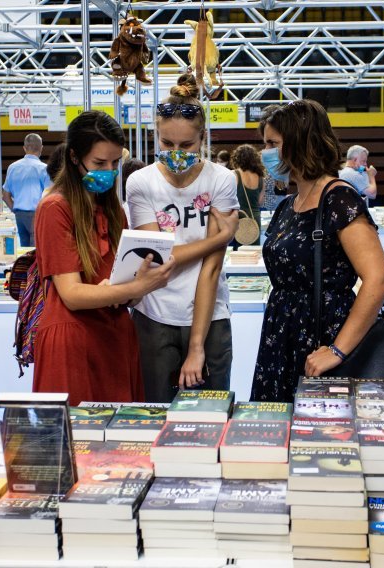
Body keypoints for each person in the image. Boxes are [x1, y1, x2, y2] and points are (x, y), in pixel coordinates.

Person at [251, 100, 384, 402]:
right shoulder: (289, 204)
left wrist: (337, 350)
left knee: (324, 434)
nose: (266, 153)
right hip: (283, 335)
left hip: (325, 336)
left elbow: (378, 279)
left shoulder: (339, 198)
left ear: (301, 144)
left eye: (273, 144)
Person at [33, 111, 175, 405]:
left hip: (115, 336)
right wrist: (136, 288)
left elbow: (122, 288)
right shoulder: (55, 208)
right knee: (78, 440)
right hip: (73, 341)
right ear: (74, 158)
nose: (109, 171)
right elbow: (71, 294)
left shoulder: (113, 210)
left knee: (122, 440)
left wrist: (139, 285)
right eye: (99, 163)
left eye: (114, 164)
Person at [126, 74, 241, 403]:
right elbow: (158, 256)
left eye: (186, 146)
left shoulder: (221, 180)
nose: (176, 153)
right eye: (167, 144)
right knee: (155, 413)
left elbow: (211, 270)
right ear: (156, 137)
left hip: (210, 318)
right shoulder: (140, 183)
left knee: (209, 418)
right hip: (154, 315)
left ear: (203, 138)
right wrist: (222, 237)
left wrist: (196, 347)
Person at [3, 133, 51, 247]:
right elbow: (49, 195)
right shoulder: (44, 169)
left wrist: (15, 210)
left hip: (19, 215)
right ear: (41, 148)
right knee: (36, 252)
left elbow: (5, 196)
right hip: (37, 215)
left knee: (25, 253)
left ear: (24, 148)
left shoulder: (12, 167)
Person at [231, 144, 266, 247]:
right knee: (253, 254)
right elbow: (260, 202)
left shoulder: (234, 174)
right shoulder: (260, 178)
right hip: (255, 219)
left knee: (238, 255)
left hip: (239, 219)